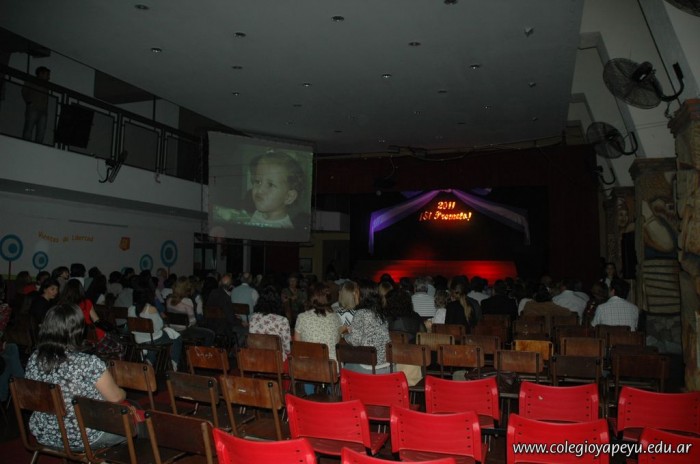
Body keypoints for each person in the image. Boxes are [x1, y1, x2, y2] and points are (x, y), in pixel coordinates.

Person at [24, 304, 127, 451]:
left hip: (44, 433)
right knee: (135, 422)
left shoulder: (34, 358)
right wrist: (123, 392)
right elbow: (116, 398)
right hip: (84, 437)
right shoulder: (87, 362)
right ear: (78, 330)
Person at [128, 278, 182, 370]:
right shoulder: (151, 309)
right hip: (153, 339)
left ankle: (150, 359)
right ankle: (173, 364)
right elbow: (159, 326)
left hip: (138, 339)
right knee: (177, 337)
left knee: (152, 341)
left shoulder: (130, 309)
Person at [344, 280, 391, 374]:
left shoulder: (360, 313)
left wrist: (345, 335)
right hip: (386, 365)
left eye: (356, 292)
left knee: (345, 367)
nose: (354, 294)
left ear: (362, 295)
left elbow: (355, 341)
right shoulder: (380, 312)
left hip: (369, 367)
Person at [248, 151, 305, 229]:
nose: (260, 190)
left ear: (289, 197)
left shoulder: (283, 230)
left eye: (270, 185)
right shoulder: (258, 214)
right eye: (258, 181)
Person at [294, 282, 342, 361]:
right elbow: (338, 340)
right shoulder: (336, 317)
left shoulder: (302, 317)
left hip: (309, 364)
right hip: (332, 365)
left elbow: (298, 345)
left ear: (310, 297)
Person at [165, 277, 216, 346]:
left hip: (172, 329)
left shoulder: (169, 300)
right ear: (187, 288)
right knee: (211, 334)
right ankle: (203, 352)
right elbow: (192, 321)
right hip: (185, 331)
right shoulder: (188, 301)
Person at [204, 273, 248, 345]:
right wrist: (241, 322)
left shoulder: (213, 292)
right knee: (246, 330)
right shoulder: (225, 298)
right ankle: (234, 349)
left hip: (210, 325)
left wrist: (234, 316)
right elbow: (231, 319)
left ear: (220, 283)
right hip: (223, 328)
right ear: (230, 286)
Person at [249, 286, 292, 360]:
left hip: (257, 357)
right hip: (276, 360)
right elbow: (287, 349)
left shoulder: (253, 318)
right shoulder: (282, 320)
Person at [22, 66, 51, 143]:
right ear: (41, 73)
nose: (49, 77)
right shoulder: (31, 81)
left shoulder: (47, 85)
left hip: (43, 110)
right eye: (47, 74)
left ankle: (37, 146)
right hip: (33, 108)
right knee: (29, 128)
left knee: (41, 131)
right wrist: (29, 102)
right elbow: (24, 91)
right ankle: (25, 144)